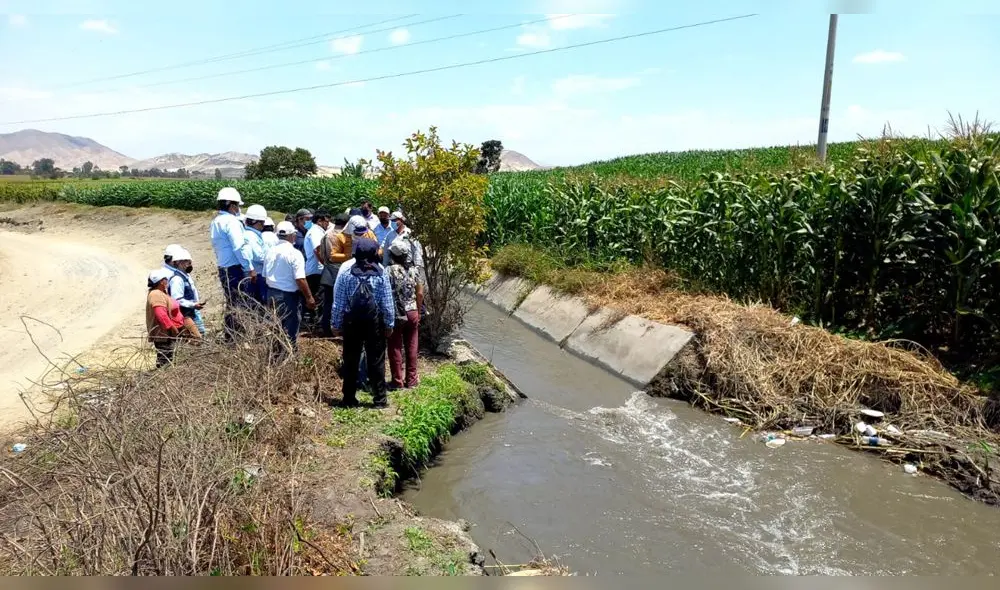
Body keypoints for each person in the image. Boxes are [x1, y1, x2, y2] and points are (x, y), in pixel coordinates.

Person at [332, 238, 395, 408]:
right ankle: (380, 400)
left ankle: (348, 399)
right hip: (374, 324)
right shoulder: (381, 273)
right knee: (376, 361)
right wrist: (389, 324)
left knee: (351, 360)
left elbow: (339, 301)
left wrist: (335, 324)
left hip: (351, 323)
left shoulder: (346, 273)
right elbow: (387, 303)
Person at [264, 221, 317, 351]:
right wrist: (309, 298)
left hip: (271, 293)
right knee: (290, 328)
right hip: (287, 296)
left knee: (276, 327)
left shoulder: (270, 251)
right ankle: (288, 356)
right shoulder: (294, 254)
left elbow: (265, 274)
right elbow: (300, 279)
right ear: (292, 236)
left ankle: (276, 354)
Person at [209, 187, 253, 340]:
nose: (238, 209)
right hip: (235, 268)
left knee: (232, 302)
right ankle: (236, 337)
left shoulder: (216, 222)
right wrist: (249, 267)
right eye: (237, 205)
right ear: (232, 205)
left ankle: (230, 335)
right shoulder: (231, 222)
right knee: (239, 303)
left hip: (224, 267)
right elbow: (239, 247)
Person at [386, 239, 424, 390]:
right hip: (413, 311)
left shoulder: (389, 270)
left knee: (395, 346)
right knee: (412, 345)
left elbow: (385, 292)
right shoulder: (415, 270)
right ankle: (412, 380)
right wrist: (418, 311)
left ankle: (397, 381)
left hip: (396, 313)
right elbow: (420, 293)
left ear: (392, 254)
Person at [146, 269, 200, 368]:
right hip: (164, 335)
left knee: (169, 358)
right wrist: (172, 328)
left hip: (171, 332)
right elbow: (161, 314)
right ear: (161, 281)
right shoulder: (156, 294)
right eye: (166, 279)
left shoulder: (161, 292)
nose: (167, 281)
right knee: (165, 361)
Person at [318, 213, 350, 338]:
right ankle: (339, 328)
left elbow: (322, 254)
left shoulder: (326, 235)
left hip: (327, 271)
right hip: (341, 271)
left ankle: (326, 328)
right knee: (341, 302)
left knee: (328, 302)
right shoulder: (344, 236)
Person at [165, 247, 207, 337]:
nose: (189, 264)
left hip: (192, 313)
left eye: (189, 261)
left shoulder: (185, 276)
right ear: (179, 262)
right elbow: (177, 299)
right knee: (197, 339)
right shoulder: (177, 279)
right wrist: (193, 305)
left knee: (201, 336)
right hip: (185, 316)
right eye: (187, 261)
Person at [303, 209, 330, 332]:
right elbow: (317, 249)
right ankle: (317, 325)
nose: (328, 224)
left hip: (315, 269)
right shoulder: (315, 231)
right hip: (316, 270)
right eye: (326, 221)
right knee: (319, 297)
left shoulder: (316, 231)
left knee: (318, 297)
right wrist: (325, 263)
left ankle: (315, 324)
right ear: (319, 221)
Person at [243, 204, 270, 307]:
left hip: (255, 274)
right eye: (262, 222)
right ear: (255, 222)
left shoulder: (252, 234)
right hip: (256, 275)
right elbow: (259, 256)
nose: (263, 225)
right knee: (259, 304)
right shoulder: (251, 236)